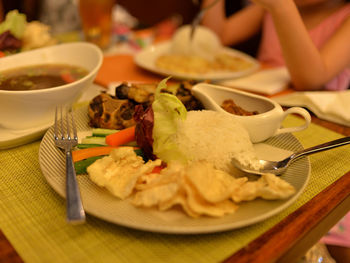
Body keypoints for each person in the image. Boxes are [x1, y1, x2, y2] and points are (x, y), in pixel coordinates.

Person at [201, 0, 350, 91]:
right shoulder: (269, 8)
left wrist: (282, 6)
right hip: (262, 101)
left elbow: (310, 81)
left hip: (315, 118)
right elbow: (214, 38)